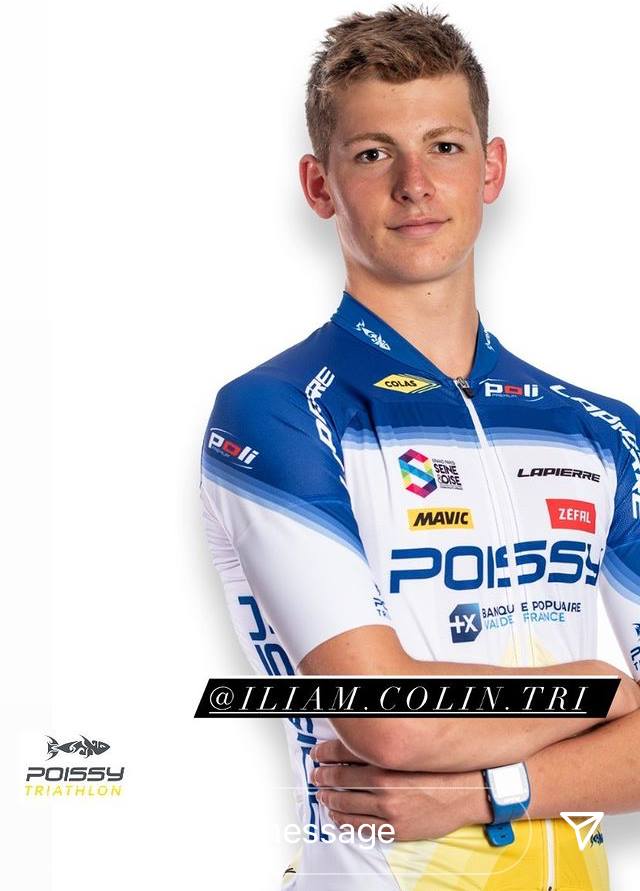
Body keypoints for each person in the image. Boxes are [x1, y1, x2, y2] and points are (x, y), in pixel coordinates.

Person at [199, 5, 640, 889]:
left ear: (491, 168)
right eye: (373, 154)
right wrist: (604, 685)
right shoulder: (277, 412)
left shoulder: (600, 428)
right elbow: (390, 721)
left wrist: (490, 789)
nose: (415, 183)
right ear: (319, 185)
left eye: (444, 146)